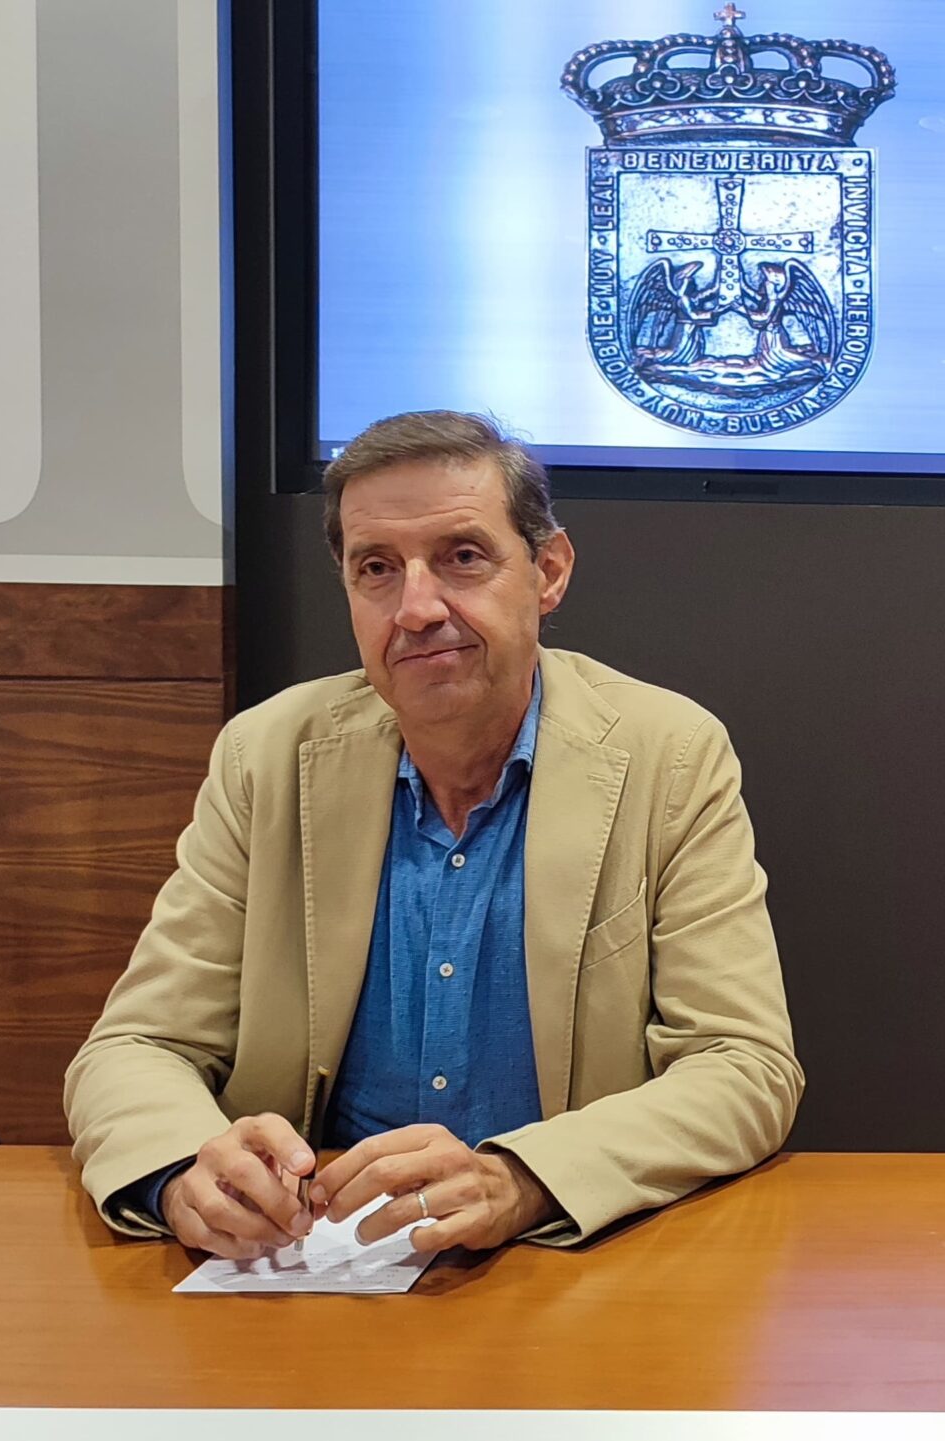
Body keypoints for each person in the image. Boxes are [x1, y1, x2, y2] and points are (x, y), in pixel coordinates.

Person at [67, 410, 801, 1256]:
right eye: (377, 568)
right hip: (309, 1261)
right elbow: (137, 1044)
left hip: (555, 1260)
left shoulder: (668, 755)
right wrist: (183, 1171)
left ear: (549, 571)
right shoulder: (266, 757)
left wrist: (523, 1178)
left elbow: (744, 1065)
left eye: (462, 557)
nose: (416, 609)